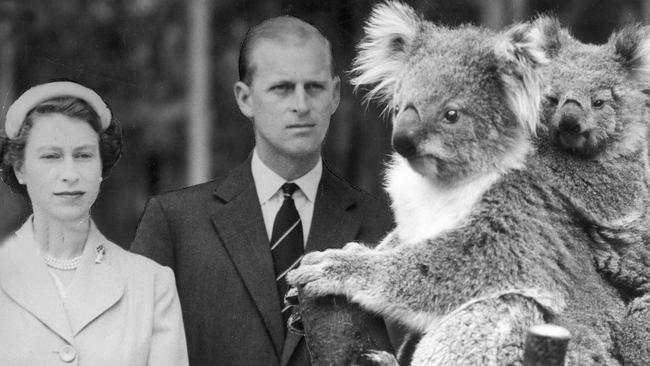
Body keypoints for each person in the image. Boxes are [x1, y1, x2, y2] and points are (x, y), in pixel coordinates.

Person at [130, 15, 393, 366]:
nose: (301, 104)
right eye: (282, 88)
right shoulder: (173, 225)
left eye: (314, 87)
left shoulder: (387, 227)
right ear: (245, 98)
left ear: (334, 96)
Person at [0, 81, 189, 366]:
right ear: (21, 170)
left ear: (102, 167)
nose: (70, 173)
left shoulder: (151, 285)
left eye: (84, 155)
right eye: (51, 156)